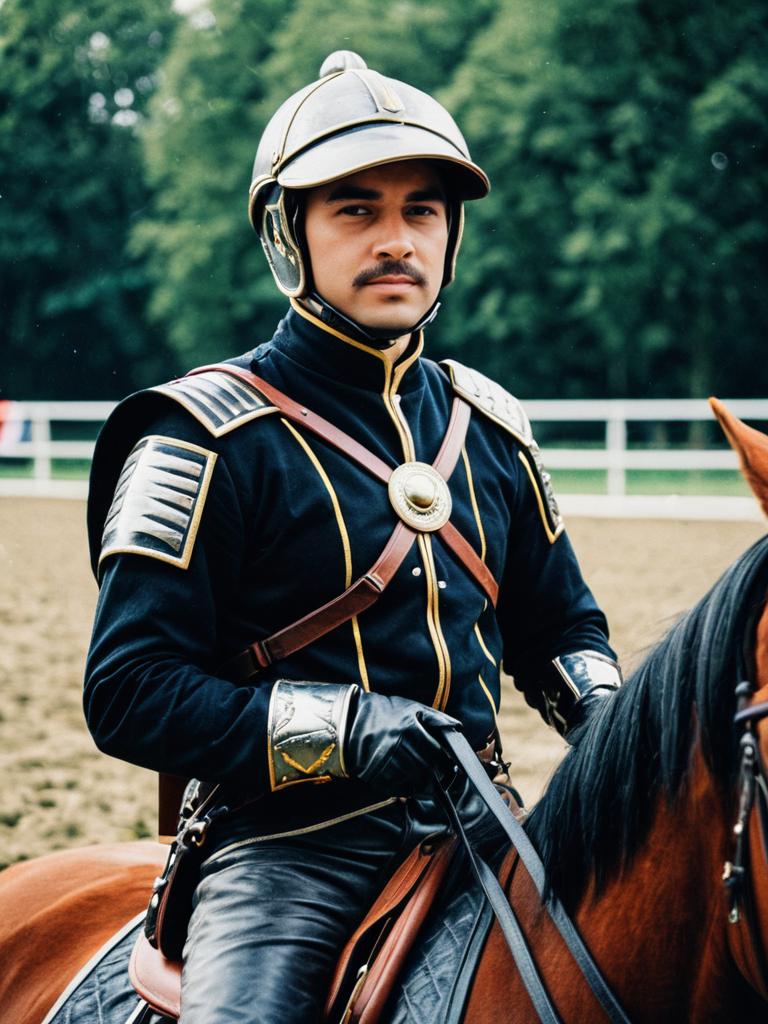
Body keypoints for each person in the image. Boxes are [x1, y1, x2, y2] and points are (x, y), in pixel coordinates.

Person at [84, 51, 622, 1023]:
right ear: (289, 238)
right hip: (288, 847)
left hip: (485, 827)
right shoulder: (202, 435)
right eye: (356, 209)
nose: (397, 240)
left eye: (422, 211)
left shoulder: (488, 427)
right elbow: (129, 691)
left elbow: (563, 625)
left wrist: (615, 720)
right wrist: (348, 727)